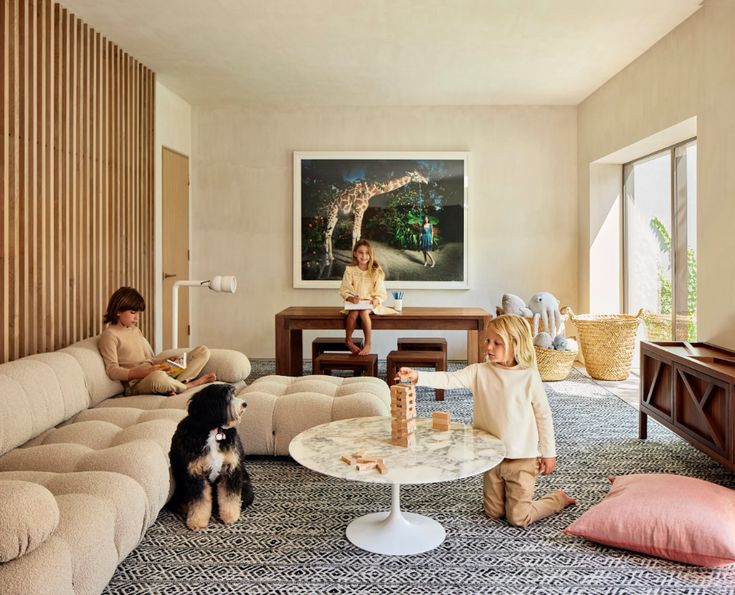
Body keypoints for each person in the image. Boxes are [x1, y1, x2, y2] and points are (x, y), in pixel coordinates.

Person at [397, 314, 575, 527]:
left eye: (497, 343)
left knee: (518, 518)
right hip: (491, 456)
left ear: (516, 345)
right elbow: (449, 379)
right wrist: (417, 376)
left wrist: (548, 453)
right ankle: (511, 498)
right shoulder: (479, 372)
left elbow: (543, 416)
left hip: (523, 458)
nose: (489, 347)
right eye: (487, 341)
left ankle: (557, 499)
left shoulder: (529, 377)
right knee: (493, 512)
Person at [98, 286, 217, 396]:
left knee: (202, 351)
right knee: (158, 377)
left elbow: (147, 360)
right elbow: (112, 371)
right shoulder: (109, 336)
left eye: (138, 313)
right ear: (118, 311)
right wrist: (146, 372)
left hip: (154, 371)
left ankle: (173, 384)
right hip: (138, 383)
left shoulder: (134, 330)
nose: (137, 318)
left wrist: (165, 360)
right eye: (133, 313)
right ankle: (188, 385)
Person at [338, 239, 387, 356]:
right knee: (353, 313)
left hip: (370, 303)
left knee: (364, 312)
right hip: (355, 302)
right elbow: (345, 289)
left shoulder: (376, 271)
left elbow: (381, 291)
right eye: (360, 252)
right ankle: (348, 340)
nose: (364, 256)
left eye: (367, 253)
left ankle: (368, 343)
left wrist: (377, 300)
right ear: (355, 253)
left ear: (371, 254)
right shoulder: (350, 270)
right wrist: (351, 299)